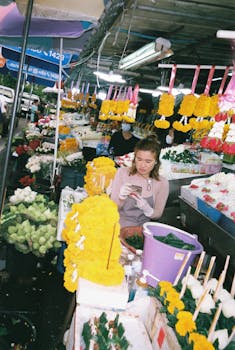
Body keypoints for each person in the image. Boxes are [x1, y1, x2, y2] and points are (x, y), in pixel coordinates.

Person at [111, 134, 169, 228]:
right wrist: (121, 198)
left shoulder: (162, 183)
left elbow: (158, 214)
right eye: (139, 159)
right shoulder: (123, 173)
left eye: (148, 161)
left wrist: (149, 210)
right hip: (118, 226)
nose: (142, 165)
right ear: (134, 159)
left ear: (156, 162)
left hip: (143, 229)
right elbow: (112, 208)